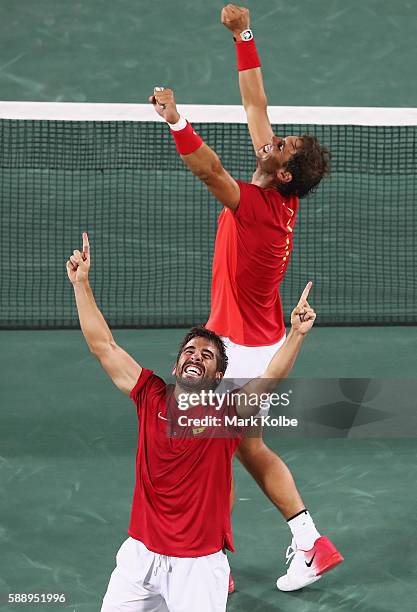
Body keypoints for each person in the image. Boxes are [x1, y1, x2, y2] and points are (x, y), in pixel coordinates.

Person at [149, 3, 343, 593]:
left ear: (282, 171)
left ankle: (213, 564)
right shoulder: (279, 190)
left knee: (209, 448)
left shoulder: (256, 207)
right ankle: (311, 543)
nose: (271, 138)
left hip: (235, 352)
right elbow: (256, 104)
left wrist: (177, 120)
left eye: (279, 145)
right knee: (244, 447)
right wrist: (244, 35)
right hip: (256, 343)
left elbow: (208, 169)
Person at [66, 232, 318, 611]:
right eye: (189, 350)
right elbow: (104, 346)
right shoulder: (150, 395)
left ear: (218, 377)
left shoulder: (228, 414)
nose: (196, 356)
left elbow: (270, 379)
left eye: (208, 354)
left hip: (197, 568)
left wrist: (296, 335)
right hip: (139, 556)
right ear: (177, 365)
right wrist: (81, 284)